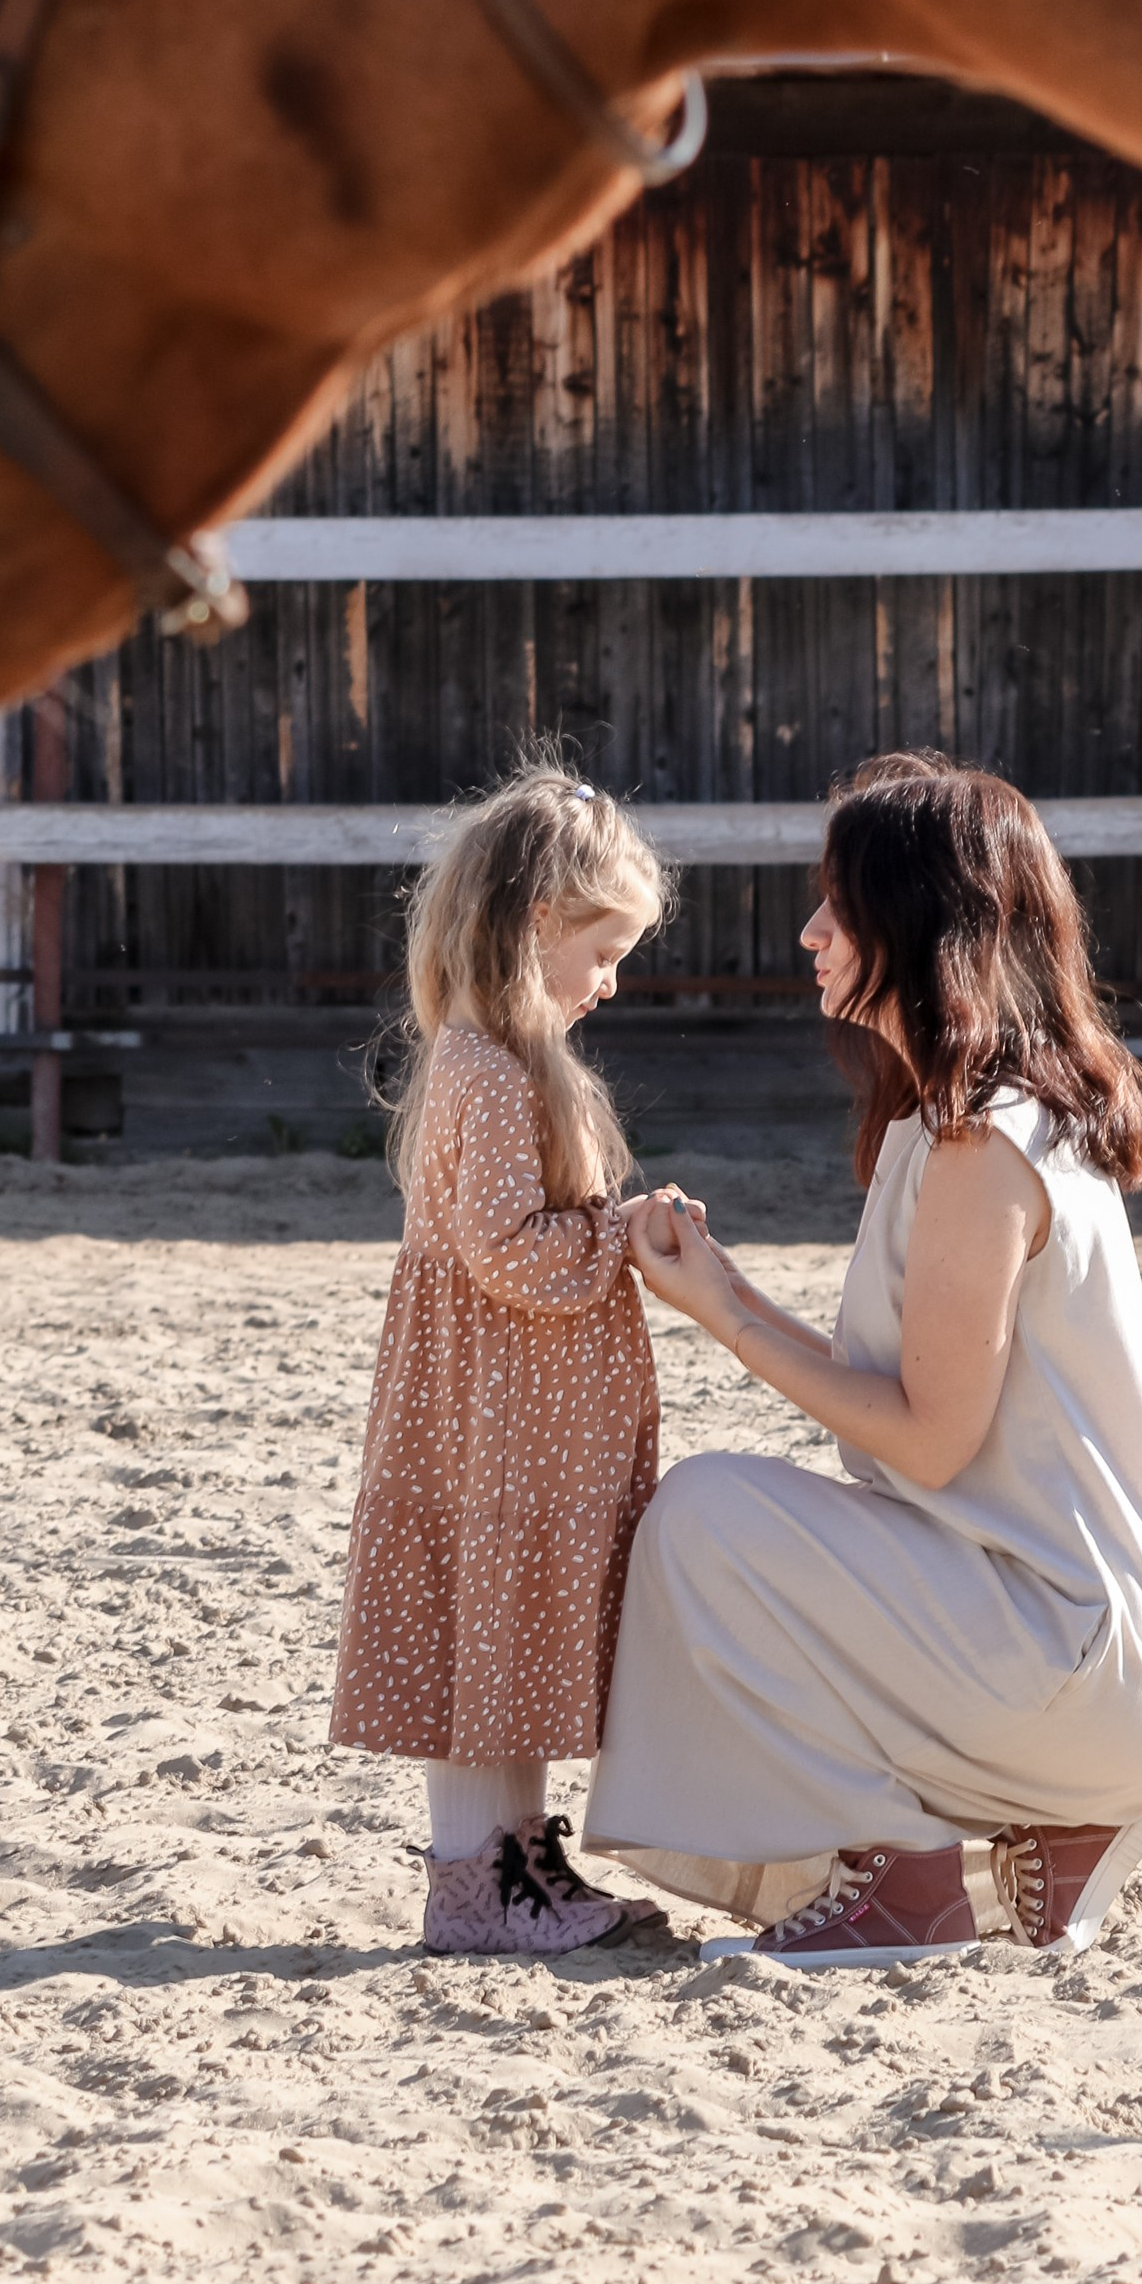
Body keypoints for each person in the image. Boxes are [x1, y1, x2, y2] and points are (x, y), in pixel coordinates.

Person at [587, 751, 1142, 1967]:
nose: (811, 930)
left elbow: (927, 1434)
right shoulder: (972, 1120)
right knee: (731, 1515)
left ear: (923, 926)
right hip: (1102, 1644)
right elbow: (924, 1394)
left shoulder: (981, 1144)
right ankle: (1058, 1827)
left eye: (843, 902)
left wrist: (719, 1315)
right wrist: (723, 1292)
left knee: (706, 1517)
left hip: (1077, 1651)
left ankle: (903, 1873)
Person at [328, 754, 685, 1957]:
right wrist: (614, 1232)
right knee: (486, 1616)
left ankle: (523, 1861)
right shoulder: (482, 1069)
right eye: (602, 952)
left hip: (520, 1409)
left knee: (510, 1625)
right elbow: (502, 1248)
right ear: (538, 922)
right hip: (495, 1408)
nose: (612, 981)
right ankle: (475, 1880)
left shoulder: (510, 1061)